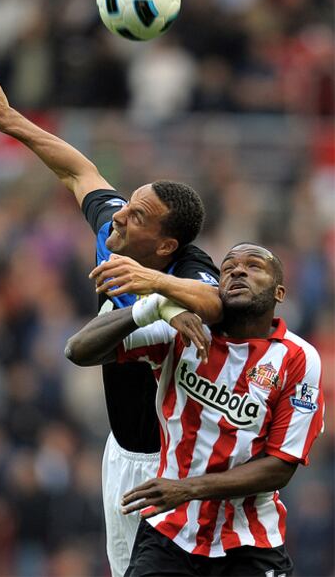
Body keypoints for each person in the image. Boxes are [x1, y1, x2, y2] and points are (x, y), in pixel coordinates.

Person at [0, 67, 223, 577]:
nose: (120, 217)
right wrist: (6, 117)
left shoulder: (190, 269)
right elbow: (79, 171)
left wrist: (156, 289)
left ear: (166, 246)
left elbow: (212, 304)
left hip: (183, 466)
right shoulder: (117, 234)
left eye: (137, 216)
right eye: (129, 206)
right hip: (123, 455)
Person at [65, 243, 324, 577]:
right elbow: (78, 350)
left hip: (249, 541)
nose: (238, 271)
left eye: (254, 266)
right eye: (228, 267)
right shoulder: (184, 329)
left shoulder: (299, 358)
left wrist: (187, 488)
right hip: (168, 535)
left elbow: (279, 468)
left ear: (280, 292)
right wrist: (153, 307)